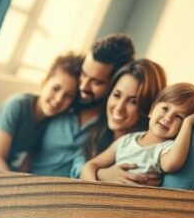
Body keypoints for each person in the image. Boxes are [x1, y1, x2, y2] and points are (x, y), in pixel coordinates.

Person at [0, 53, 82, 172]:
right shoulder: (18, 104)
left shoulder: (53, 122)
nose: (59, 99)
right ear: (45, 82)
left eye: (68, 95)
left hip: (3, 166)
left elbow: (27, 163)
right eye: (55, 88)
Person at [28, 34, 135, 177]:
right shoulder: (61, 102)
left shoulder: (113, 123)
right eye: (83, 74)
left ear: (115, 82)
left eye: (97, 82)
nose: (83, 86)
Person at [81, 83, 194, 181]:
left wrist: (188, 124)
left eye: (179, 117)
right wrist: (95, 185)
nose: (168, 118)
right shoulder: (126, 140)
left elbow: (172, 164)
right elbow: (91, 165)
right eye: (165, 108)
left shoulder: (165, 149)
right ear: (151, 110)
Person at [70, 59, 166, 179]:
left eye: (133, 101)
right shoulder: (95, 134)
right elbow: (78, 169)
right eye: (117, 95)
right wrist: (103, 175)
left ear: (148, 109)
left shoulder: (151, 154)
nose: (119, 108)